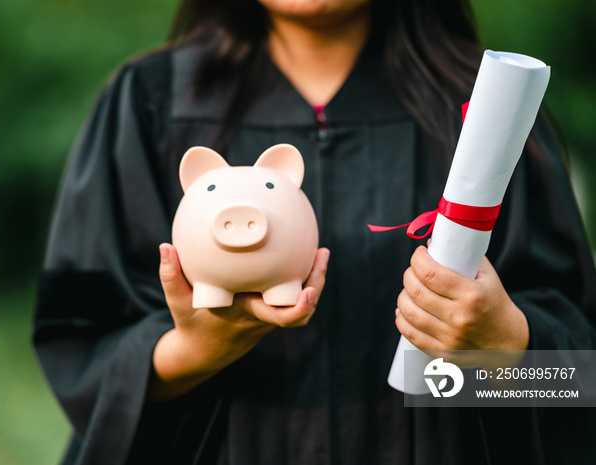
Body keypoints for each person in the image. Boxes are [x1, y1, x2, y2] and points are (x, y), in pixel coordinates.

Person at [33, 0, 596, 464]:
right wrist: (192, 351)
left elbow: (572, 382)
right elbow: (81, 345)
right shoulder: (151, 102)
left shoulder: (487, 110)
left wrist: (505, 352)